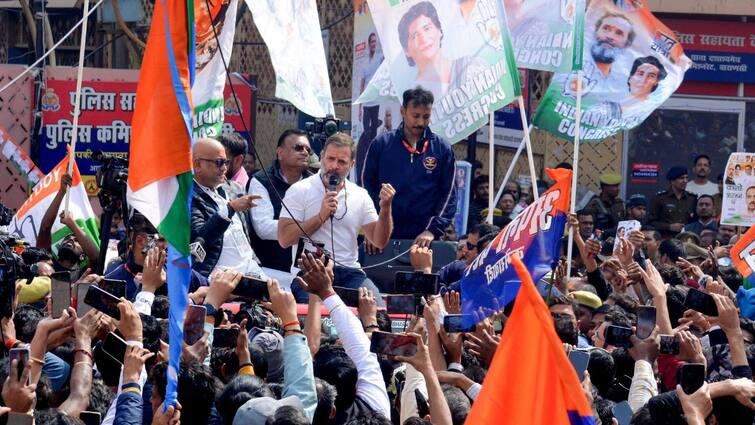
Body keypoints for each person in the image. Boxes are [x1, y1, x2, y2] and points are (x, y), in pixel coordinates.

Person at [279, 132, 395, 303]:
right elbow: (284, 238)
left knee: (378, 312)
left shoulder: (360, 195)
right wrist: (320, 217)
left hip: (350, 273)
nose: (334, 166)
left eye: (342, 162)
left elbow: (379, 241)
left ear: (352, 165)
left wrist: (385, 209)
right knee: (316, 321)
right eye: (330, 159)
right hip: (311, 271)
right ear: (321, 157)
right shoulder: (299, 190)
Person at [361, 87, 456, 248]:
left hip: (424, 239)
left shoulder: (442, 149)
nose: (420, 122)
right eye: (415, 116)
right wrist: (372, 228)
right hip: (383, 235)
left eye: (426, 116)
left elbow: (449, 195)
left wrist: (432, 230)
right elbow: (365, 188)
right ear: (403, 111)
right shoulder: (381, 144)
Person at [190, 137, 267, 278]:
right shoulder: (189, 197)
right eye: (219, 163)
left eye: (226, 162)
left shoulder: (232, 189)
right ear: (198, 165)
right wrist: (230, 209)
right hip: (217, 276)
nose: (224, 168)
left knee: (281, 296)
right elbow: (200, 238)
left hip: (250, 269)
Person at [247, 129, 314, 284]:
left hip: (307, 270)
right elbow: (263, 228)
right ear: (280, 152)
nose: (305, 152)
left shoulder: (314, 183)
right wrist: (309, 226)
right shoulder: (261, 180)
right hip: (272, 271)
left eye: (308, 150)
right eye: (298, 148)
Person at [396, 1, 486, 102]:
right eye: (414, 36)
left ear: (439, 30)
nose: (423, 39)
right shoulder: (411, 99)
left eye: (427, 28)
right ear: (406, 50)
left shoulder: (472, 67)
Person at [355, 32, 384, 180]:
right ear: (368, 44)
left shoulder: (380, 58)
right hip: (366, 103)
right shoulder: (365, 63)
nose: (373, 44)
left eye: (375, 42)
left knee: (373, 135)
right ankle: (364, 160)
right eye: (371, 42)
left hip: (376, 102)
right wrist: (359, 108)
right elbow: (361, 86)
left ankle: (373, 161)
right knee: (366, 133)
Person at [649, 166, 696, 237]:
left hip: (687, 240)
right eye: (681, 178)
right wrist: (669, 227)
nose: (685, 181)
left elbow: (696, 221)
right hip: (666, 239)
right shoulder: (660, 198)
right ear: (672, 181)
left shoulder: (692, 199)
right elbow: (651, 223)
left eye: (686, 178)